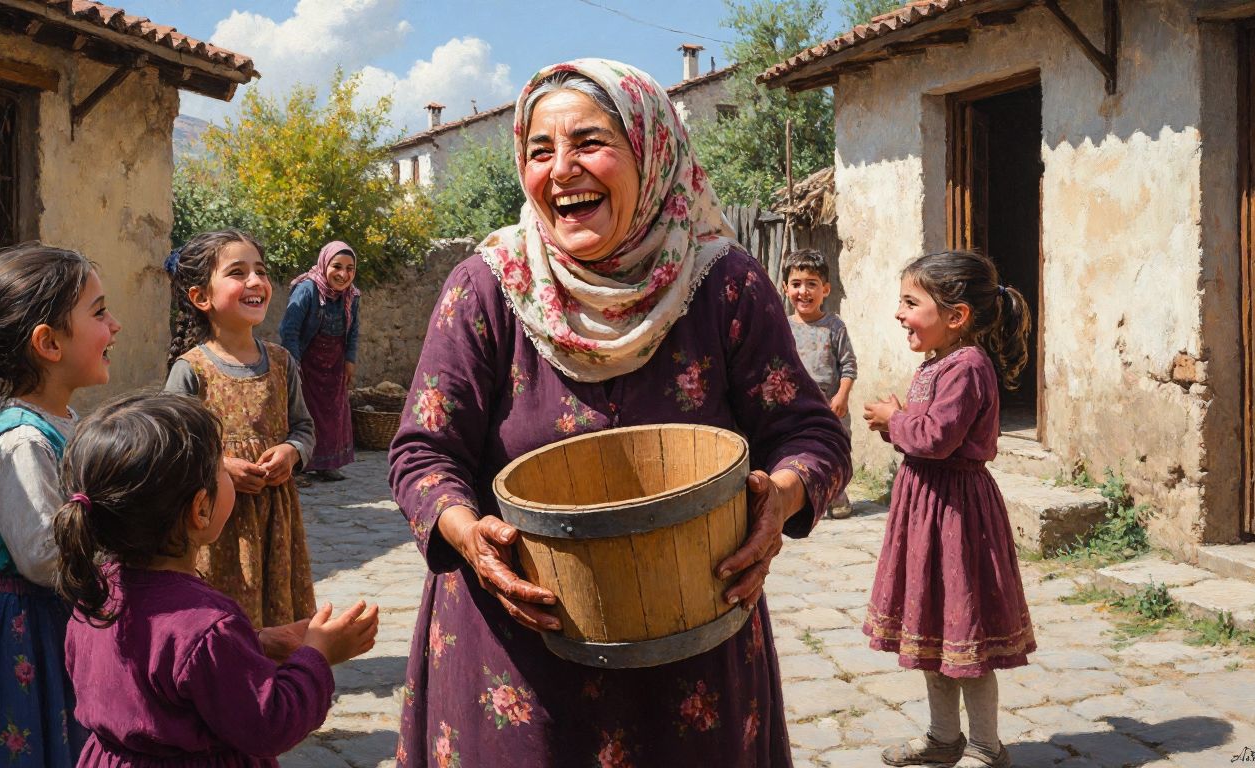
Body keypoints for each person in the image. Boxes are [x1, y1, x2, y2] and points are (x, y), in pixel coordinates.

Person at [387, 59, 851, 767]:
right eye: (540, 151)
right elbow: (422, 452)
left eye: (590, 142)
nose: (562, 168)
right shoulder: (486, 289)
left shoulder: (725, 286)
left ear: (650, 151)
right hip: (515, 661)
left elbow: (811, 435)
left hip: (691, 662)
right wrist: (467, 536)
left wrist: (778, 501)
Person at [55, 392, 379, 766]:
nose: (228, 473)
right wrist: (318, 655)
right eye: (222, 469)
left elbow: (163, 673)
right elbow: (269, 724)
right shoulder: (209, 626)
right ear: (200, 509)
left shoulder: (96, 593)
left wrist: (256, 643)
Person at [0, 243, 120, 765]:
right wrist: (125, 549)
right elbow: (43, 556)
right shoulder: (22, 444)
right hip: (28, 636)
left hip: (52, 622)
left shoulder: (60, 423)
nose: (115, 325)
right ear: (49, 343)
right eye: (100, 312)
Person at [861, 250, 1036, 768]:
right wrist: (904, 417)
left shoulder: (968, 366)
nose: (899, 313)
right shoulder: (940, 362)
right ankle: (943, 738)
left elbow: (937, 437)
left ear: (956, 316)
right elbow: (933, 430)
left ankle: (985, 746)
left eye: (910, 302)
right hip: (927, 510)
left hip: (957, 515)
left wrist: (897, 420)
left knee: (967, 636)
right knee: (936, 630)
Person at [164, 229, 318, 627]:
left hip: (276, 525)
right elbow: (171, 450)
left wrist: (292, 452)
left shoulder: (282, 363)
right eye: (237, 272)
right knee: (223, 622)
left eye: (260, 271)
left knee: (277, 620)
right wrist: (220, 468)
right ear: (201, 298)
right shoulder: (191, 370)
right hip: (215, 525)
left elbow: (303, 428)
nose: (255, 282)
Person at [782, 248, 857, 519]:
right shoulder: (783, 327)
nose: (804, 291)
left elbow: (849, 366)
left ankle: (837, 494)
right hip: (797, 406)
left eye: (811, 284)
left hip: (830, 405)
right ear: (785, 288)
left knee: (834, 448)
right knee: (800, 451)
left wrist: (842, 396)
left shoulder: (834, 327)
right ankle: (803, 499)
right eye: (796, 284)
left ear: (825, 289)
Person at [280, 240, 361, 483]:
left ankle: (326, 463)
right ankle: (297, 466)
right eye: (337, 266)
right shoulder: (307, 289)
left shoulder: (351, 296)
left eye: (350, 268)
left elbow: (354, 330)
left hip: (334, 364)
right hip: (306, 362)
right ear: (324, 264)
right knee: (302, 414)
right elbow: (289, 330)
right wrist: (293, 364)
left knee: (332, 414)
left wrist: (350, 360)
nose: (343, 274)